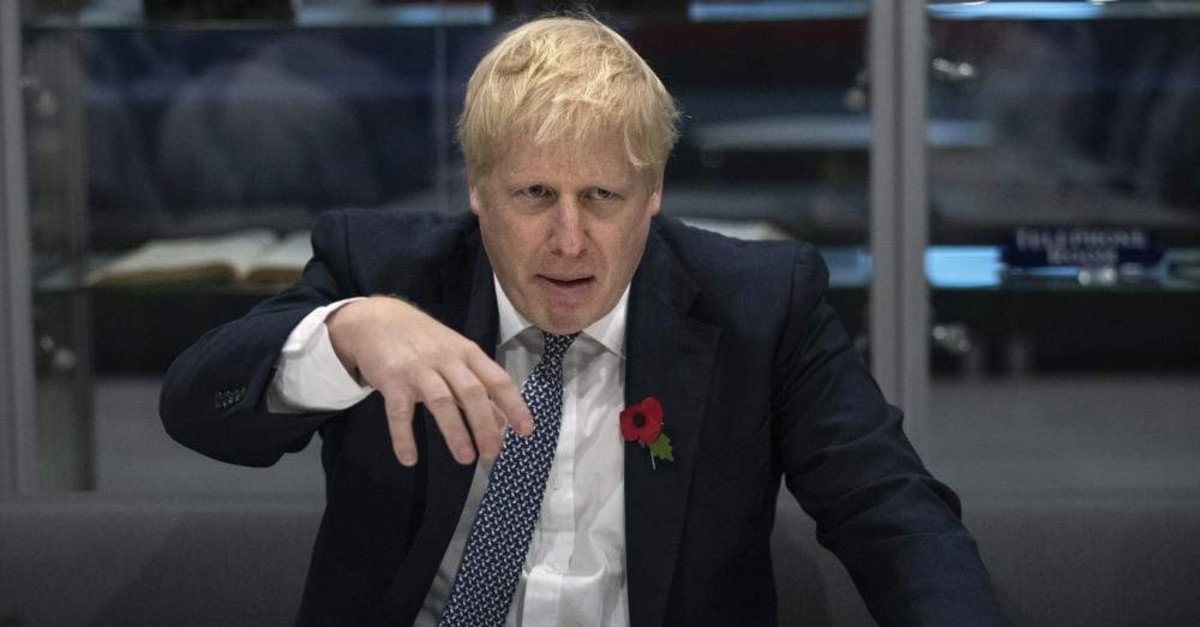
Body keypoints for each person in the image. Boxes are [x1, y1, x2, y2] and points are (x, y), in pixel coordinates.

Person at [160, 15, 1008, 627]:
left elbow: (892, 513)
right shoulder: (385, 274)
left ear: (655, 193)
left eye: (601, 196)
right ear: (476, 187)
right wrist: (346, 333)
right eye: (533, 195)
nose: (568, 239)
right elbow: (198, 407)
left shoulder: (759, 301)